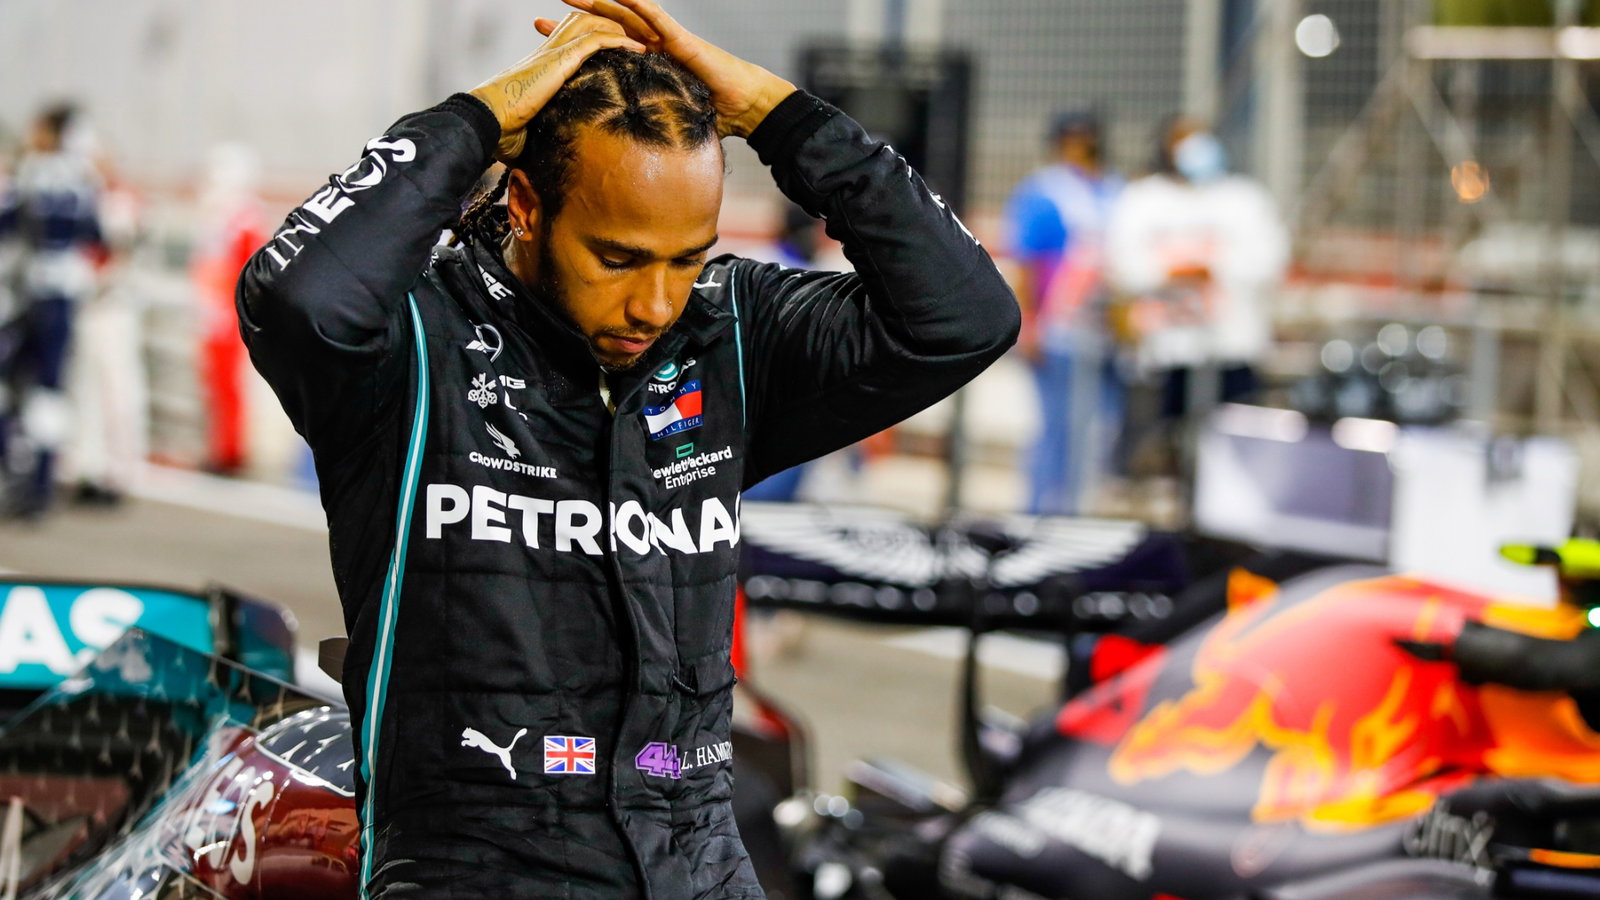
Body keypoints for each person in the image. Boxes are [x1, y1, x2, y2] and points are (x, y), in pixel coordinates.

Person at [237, 1, 1018, 896]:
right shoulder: (409, 345)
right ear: (525, 205)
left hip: (701, 867)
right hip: (476, 870)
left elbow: (966, 317)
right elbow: (297, 298)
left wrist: (777, 115)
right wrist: (478, 118)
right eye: (617, 259)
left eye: (685, 259)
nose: (654, 303)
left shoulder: (730, 333)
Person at [1104, 115, 1287, 476]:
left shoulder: (1243, 198)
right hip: (1165, 353)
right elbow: (1121, 264)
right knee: (1160, 452)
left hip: (1230, 349)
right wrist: (1171, 273)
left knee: (1233, 454)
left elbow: (1268, 259)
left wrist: (1212, 269)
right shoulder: (1143, 199)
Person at [1004, 108, 1123, 516]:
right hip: (1060, 328)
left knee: (1100, 429)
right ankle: (1040, 512)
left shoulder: (1114, 189)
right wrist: (1029, 323)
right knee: (1057, 428)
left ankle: (1078, 511)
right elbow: (1027, 262)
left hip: (1107, 331)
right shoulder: (1044, 191)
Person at [0, 102, 104, 518]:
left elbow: (9, 224)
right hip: (61, 296)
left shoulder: (31, 171)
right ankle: (39, 481)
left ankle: (24, 475)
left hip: (32, 294)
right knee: (48, 390)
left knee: (23, 387)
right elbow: (95, 234)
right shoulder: (83, 177)